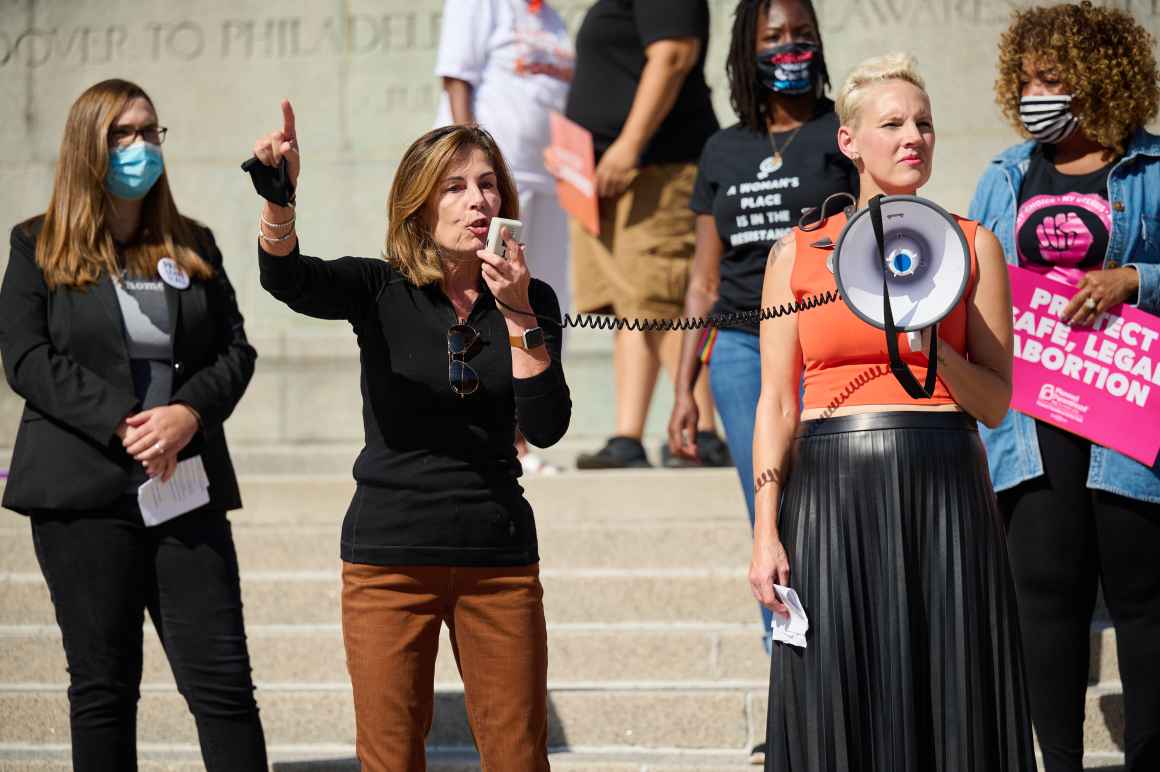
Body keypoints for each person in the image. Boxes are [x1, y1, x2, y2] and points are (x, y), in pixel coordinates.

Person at [251, 106, 570, 770]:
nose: (477, 200)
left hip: (498, 558)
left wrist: (516, 315)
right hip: (389, 558)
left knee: (518, 753)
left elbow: (545, 427)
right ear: (418, 206)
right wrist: (279, 204)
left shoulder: (528, 295)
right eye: (454, 186)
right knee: (390, 755)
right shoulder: (380, 288)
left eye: (488, 185)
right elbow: (288, 279)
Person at [749, 54, 1035, 771]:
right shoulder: (796, 254)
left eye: (925, 124)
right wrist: (764, 528)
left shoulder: (974, 246)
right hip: (829, 494)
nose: (914, 137)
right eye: (893, 123)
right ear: (849, 142)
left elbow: (998, 403)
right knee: (836, 695)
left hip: (943, 487)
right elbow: (778, 401)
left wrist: (934, 340)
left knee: (952, 691)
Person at [0, 79, 265, 771]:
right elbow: (27, 357)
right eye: (122, 134)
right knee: (103, 688)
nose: (140, 147)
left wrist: (187, 415)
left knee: (223, 686)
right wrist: (124, 423)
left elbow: (237, 350)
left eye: (150, 132)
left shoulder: (193, 243)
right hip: (83, 494)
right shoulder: (36, 246)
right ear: (88, 146)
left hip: (184, 488)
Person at [968, 4, 1160, 770]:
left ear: (1097, 79)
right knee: (1045, 593)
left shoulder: (1150, 170)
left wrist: (1133, 279)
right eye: (1026, 79)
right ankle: (1058, 762)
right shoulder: (1005, 175)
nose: (1033, 93)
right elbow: (971, 280)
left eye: (1050, 79)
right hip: (1031, 414)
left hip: (1130, 405)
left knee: (1143, 592)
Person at [667, 0, 855, 690]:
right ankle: (793, 686)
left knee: (834, 509)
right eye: (775, 36)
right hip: (745, 352)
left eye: (802, 35)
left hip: (832, 345)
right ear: (749, 49)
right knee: (769, 513)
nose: (790, 47)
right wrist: (685, 387)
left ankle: (848, 668)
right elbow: (702, 280)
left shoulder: (844, 130)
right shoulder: (723, 149)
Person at [562, 0, 725, 469]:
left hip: (654, 168)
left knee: (664, 298)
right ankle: (629, 436)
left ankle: (700, 433)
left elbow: (674, 53)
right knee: (630, 305)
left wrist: (627, 147)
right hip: (603, 176)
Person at [434, 0, 575, 476]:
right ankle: (495, 438)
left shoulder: (551, 18)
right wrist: (466, 167)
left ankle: (521, 439)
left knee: (536, 302)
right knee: (486, 301)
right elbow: (457, 78)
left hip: (549, 181)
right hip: (496, 186)